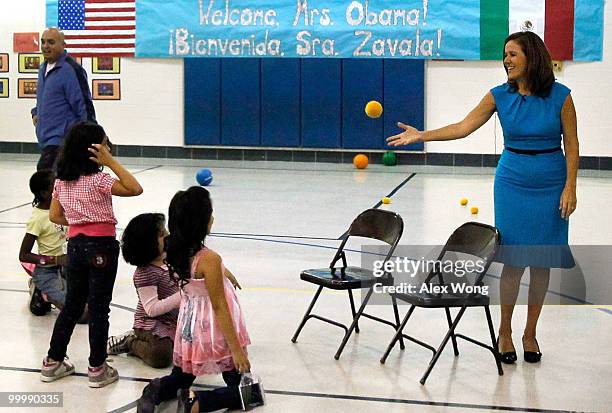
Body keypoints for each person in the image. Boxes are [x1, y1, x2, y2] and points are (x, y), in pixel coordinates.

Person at [387, 31, 579, 365]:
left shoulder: (562, 97)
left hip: (551, 181)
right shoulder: (497, 96)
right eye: (505, 54)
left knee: (543, 260)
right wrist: (423, 135)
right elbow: (463, 127)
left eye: (513, 54)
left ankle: (530, 332)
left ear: (532, 57)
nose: (506, 60)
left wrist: (570, 187)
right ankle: (504, 331)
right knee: (514, 260)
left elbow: (573, 146)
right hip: (512, 182)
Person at [40, 121, 143, 388]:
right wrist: (111, 162)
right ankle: (97, 368)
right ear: (95, 150)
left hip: (75, 246)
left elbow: (54, 215)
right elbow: (135, 188)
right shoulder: (100, 180)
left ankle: (52, 361)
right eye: (105, 144)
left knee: (73, 305)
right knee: (99, 308)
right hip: (102, 247)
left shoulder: (62, 181)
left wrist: (78, 220)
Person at [137, 186, 255, 413]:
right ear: (203, 222)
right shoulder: (210, 259)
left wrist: (223, 271)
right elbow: (219, 306)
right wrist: (237, 349)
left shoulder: (174, 251)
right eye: (209, 213)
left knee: (181, 376)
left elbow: (199, 270)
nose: (213, 217)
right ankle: (199, 402)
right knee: (248, 391)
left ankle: (156, 390)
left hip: (190, 326)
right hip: (213, 327)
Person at [107, 213, 181, 369]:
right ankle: (131, 342)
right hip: (151, 323)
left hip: (176, 319)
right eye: (162, 234)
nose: (167, 235)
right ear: (148, 244)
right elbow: (152, 309)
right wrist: (183, 295)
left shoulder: (171, 257)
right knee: (160, 355)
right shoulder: (145, 273)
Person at [31, 28, 95, 171]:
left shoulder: (71, 70)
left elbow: (84, 106)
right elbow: (44, 99)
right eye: (43, 42)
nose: (45, 46)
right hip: (46, 141)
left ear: (63, 45)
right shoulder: (43, 68)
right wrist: (35, 112)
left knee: (45, 184)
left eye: (51, 42)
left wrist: (90, 137)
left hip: (63, 143)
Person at [19, 170, 67, 313]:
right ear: (45, 193)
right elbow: (24, 255)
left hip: (68, 268)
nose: (60, 186)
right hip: (48, 270)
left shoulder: (63, 207)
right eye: (55, 185)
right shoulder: (38, 219)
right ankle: (41, 290)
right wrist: (56, 259)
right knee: (81, 315)